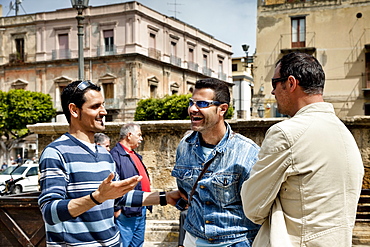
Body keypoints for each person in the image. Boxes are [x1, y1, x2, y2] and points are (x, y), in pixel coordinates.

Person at [241, 52, 364, 246]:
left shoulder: (286, 133)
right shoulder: (345, 134)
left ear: (291, 83)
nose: (272, 92)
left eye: (274, 83)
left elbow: (252, 207)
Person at [38, 80, 143, 246]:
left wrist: (166, 197)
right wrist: (97, 197)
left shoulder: (104, 154)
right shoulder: (56, 152)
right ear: (74, 110)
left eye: (103, 105)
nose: (104, 112)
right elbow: (50, 212)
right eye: (95, 106)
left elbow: (116, 198)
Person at [171, 78, 261, 246]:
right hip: (194, 238)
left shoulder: (248, 152)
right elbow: (185, 192)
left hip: (235, 241)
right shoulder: (184, 146)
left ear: (222, 109)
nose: (192, 109)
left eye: (202, 104)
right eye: (191, 103)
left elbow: (258, 206)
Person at [110, 123, 151, 247]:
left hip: (140, 208)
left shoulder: (134, 155)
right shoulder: (115, 155)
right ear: (129, 135)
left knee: (137, 244)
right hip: (126, 211)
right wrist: (116, 209)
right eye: (139, 135)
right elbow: (112, 183)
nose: (141, 138)